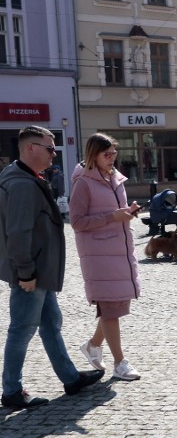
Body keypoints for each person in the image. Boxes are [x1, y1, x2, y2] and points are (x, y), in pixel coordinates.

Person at [0, 126, 104, 411]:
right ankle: (11, 391)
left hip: (40, 270)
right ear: (30, 148)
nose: (53, 154)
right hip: (32, 273)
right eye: (49, 148)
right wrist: (26, 273)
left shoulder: (24, 176)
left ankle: (70, 378)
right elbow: (18, 233)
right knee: (22, 330)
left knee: (50, 325)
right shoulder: (21, 184)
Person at [70, 133, 143, 381]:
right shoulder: (83, 183)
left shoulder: (115, 179)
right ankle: (120, 362)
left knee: (116, 304)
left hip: (119, 250)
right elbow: (77, 222)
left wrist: (128, 213)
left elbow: (114, 213)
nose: (112, 158)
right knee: (110, 308)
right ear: (94, 154)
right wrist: (113, 216)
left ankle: (92, 345)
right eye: (107, 154)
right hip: (98, 254)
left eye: (114, 153)